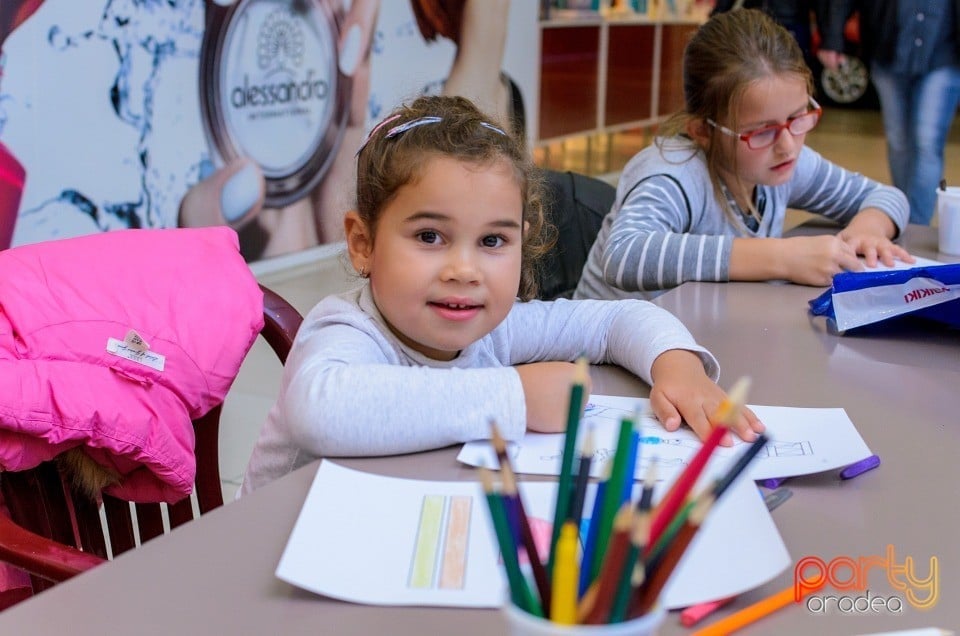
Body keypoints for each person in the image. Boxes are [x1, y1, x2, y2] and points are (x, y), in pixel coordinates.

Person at [239, 95, 764, 494]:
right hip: (280, 560)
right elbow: (322, 411)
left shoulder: (494, 327)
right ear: (363, 243)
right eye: (429, 237)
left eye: (492, 241)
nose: (464, 270)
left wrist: (677, 365)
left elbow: (615, 321)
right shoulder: (344, 331)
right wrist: (517, 397)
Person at [574, 8, 913, 302]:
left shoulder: (785, 159)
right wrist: (782, 257)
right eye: (762, 131)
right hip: (601, 360)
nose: (788, 145)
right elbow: (625, 255)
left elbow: (884, 195)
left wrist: (867, 231)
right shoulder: (674, 172)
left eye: (798, 117)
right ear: (703, 131)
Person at [816, 1, 960, 226]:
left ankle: (915, 224)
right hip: (887, 51)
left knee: (926, 141)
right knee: (898, 140)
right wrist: (832, 38)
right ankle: (901, 212)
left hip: (944, 55)